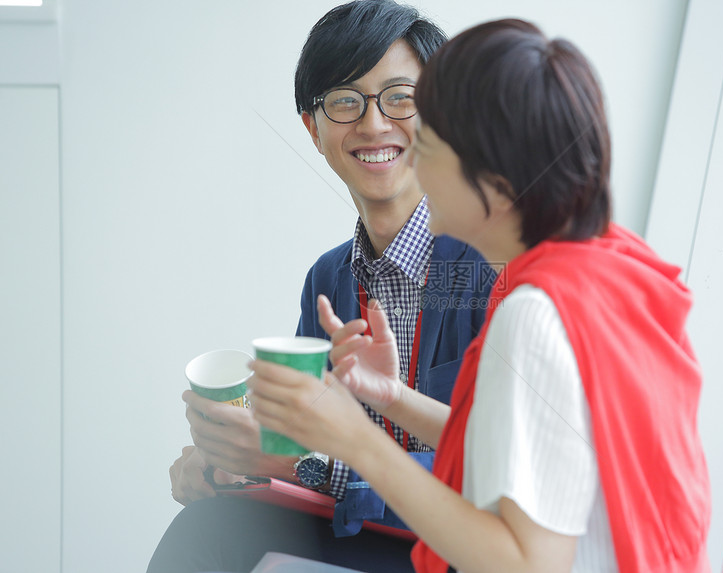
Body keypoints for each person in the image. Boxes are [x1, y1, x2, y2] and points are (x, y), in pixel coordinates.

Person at [249, 18, 712, 573]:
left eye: (430, 141)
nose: (407, 154)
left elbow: (527, 564)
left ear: (493, 171)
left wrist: (356, 444)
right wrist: (391, 398)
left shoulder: (534, 314)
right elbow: (505, 450)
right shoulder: (599, 269)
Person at [147, 2, 492, 572]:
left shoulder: (489, 269)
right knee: (209, 524)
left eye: (401, 97)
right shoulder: (328, 279)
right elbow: (303, 444)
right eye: (345, 101)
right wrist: (230, 466)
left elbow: (497, 476)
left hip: (458, 550)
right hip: (359, 533)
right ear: (313, 128)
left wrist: (301, 466)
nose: (374, 124)